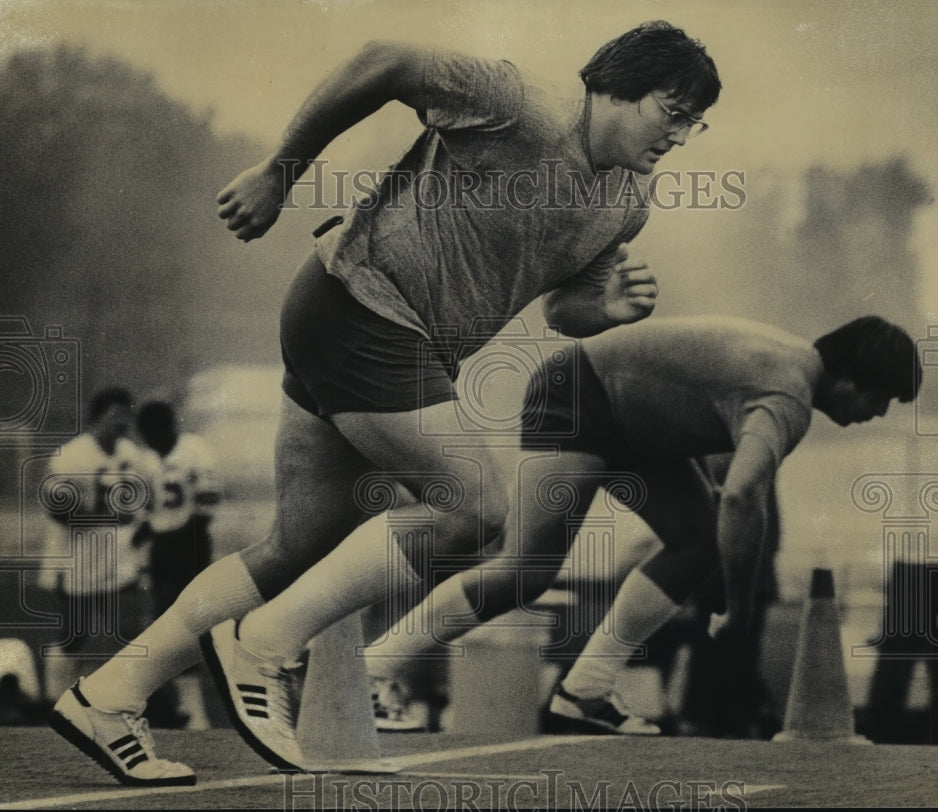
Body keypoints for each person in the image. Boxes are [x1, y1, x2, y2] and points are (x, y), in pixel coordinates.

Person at [49, 21, 721, 784]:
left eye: (694, 121)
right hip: (358, 306)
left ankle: (110, 693)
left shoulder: (627, 206)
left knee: (297, 544)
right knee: (475, 508)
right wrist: (281, 170)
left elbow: (560, 309)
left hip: (373, 335)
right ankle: (264, 646)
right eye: (673, 111)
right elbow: (386, 61)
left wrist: (606, 311)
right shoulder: (519, 106)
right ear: (612, 87)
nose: (682, 135)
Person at [359, 315, 922, 735]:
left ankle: (584, 693)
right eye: (883, 397)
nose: (878, 414)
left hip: (633, 421)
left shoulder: (791, 365)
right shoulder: (790, 394)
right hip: (579, 393)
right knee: (525, 572)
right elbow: (744, 494)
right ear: (853, 377)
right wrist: (743, 605)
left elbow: (727, 483)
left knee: (698, 545)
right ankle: (370, 670)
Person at [38, 388, 152, 704]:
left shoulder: (132, 454)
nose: (122, 423)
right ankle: (53, 698)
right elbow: (57, 511)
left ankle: (113, 699)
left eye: (126, 415)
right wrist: (98, 515)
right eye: (115, 416)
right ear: (97, 418)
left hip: (119, 557)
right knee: (76, 632)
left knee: (125, 629)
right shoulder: (73, 456)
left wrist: (138, 531)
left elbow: (149, 500)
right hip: (77, 557)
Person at [134, 401, 220, 730]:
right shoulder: (147, 460)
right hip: (162, 546)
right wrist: (146, 533)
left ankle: (193, 707)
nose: (151, 440)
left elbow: (206, 506)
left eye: (154, 432)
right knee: (165, 620)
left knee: (189, 620)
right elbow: (150, 509)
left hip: (191, 544)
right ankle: (183, 706)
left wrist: (174, 535)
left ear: (169, 426)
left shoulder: (196, 451)